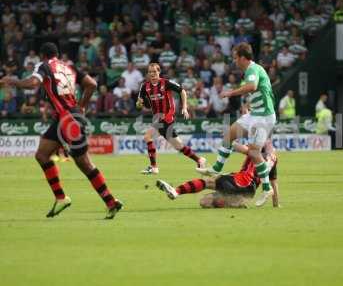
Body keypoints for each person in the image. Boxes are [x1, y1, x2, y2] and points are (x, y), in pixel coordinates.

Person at [0, 42, 123, 219]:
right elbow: (91, 84)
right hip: (66, 118)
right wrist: (81, 106)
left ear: (43, 56)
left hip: (68, 120)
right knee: (42, 154)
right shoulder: (69, 67)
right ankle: (61, 198)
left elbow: (33, 83)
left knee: (84, 164)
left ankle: (111, 201)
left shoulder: (44, 66)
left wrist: (12, 81)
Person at [197, 42, 276, 207]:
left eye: (235, 57)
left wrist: (231, 93)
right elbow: (257, 90)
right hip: (255, 114)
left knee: (254, 153)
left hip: (264, 118)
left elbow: (253, 86)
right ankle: (216, 168)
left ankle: (267, 188)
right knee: (230, 134)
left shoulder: (252, 69)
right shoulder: (252, 70)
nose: (234, 61)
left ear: (242, 57)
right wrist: (248, 104)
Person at [156, 142, 280, 208]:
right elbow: (274, 184)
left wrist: (231, 139)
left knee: (208, 182)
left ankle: (176, 191)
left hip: (240, 181)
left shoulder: (255, 150)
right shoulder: (274, 158)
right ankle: (234, 202)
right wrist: (276, 204)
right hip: (249, 192)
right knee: (204, 202)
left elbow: (238, 147)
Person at [136, 63, 206, 174]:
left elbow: (182, 91)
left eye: (154, 71)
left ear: (159, 72)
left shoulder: (166, 83)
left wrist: (184, 107)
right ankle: (199, 160)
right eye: (150, 72)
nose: (152, 74)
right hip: (157, 118)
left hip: (167, 117)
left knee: (147, 137)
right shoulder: (145, 86)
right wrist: (139, 103)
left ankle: (154, 167)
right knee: (178, 146)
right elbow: (140, 103)